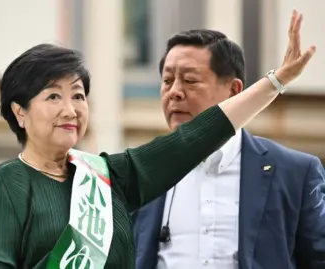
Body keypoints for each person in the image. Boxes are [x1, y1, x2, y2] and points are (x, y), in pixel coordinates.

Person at [0, 10, 316, 269]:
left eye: (78, 96)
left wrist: (277, 80)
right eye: (53, 97)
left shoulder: (109, 177)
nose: (71, 110)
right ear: (20, 112)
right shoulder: (7, 184)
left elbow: (195, 139)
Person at [133, 11, 325, 269]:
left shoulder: (294, 172)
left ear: (234, 90)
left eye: (189, 81)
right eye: (167, 81)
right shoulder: (140, 172)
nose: (175, 92)